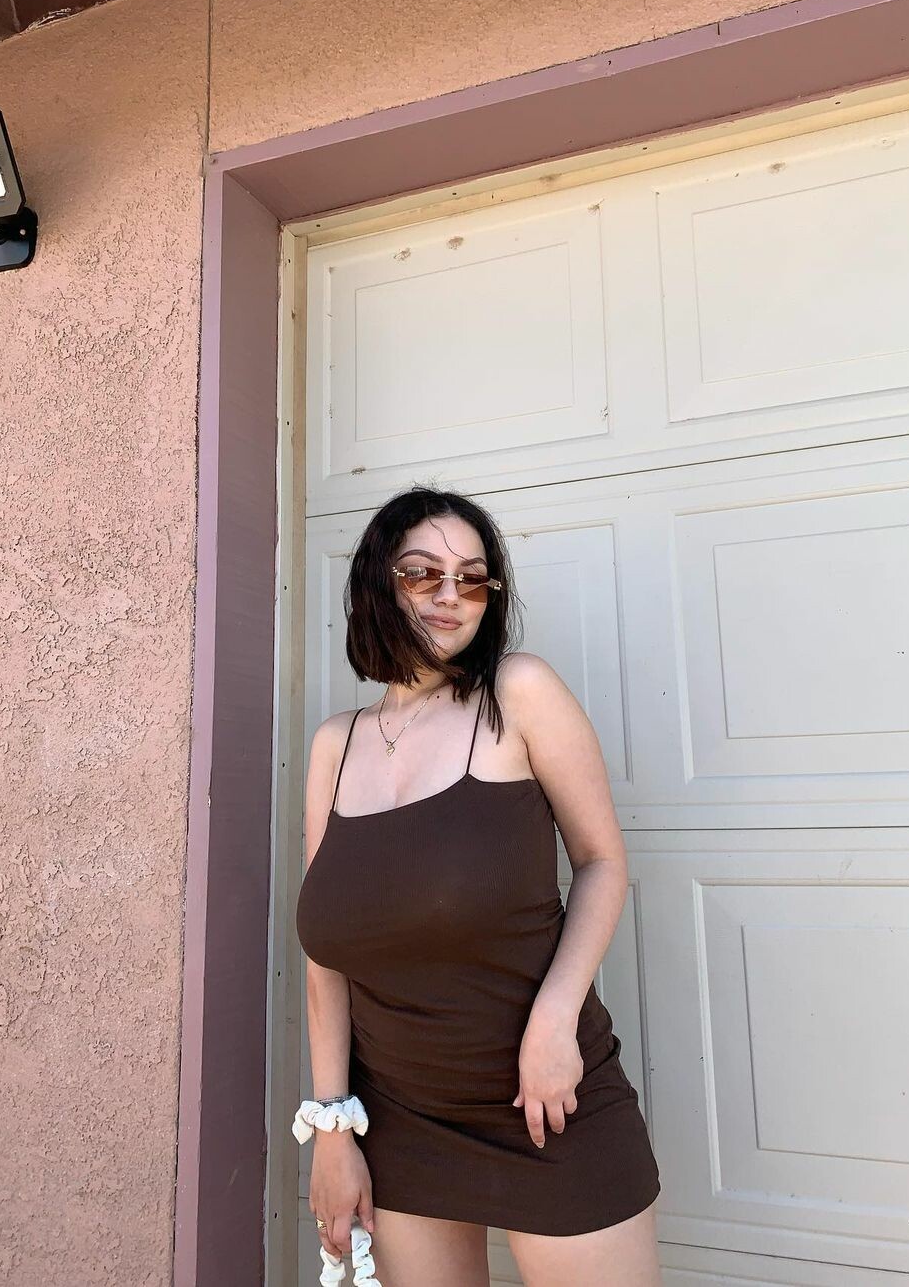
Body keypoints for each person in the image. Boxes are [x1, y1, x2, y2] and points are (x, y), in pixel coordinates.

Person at [295, 485, 663, 1286]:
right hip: (402, 1125)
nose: (450, 595)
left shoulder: (517, 694)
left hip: (548, 1103)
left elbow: (602, 861)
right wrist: (333, 1126)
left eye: (472, 578)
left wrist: (556, 1021)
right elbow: (328, 961)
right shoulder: (333, 747)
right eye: (423, 573)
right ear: (377, 581)